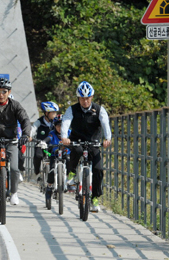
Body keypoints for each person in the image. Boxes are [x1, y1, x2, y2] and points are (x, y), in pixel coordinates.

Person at [61, 81, 111, 212]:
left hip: (93, 142)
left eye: (87, 98)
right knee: (75, 151)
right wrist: (64, 137)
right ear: (78, 98)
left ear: (92, 97)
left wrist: (107, 138)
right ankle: (71, 173)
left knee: (98, 169)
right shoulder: (72, 109)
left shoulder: (99, 110)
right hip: (77, 140)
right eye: (82, 98)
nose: (85, 101)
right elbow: (66, 122)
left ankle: (95, 198)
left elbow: (105, 123)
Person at [31, 101, 59, 180]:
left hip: (52, 145)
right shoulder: (39, 122)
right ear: (46, 113)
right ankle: (36, 172)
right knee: (38, 156)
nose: (55, 115)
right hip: (40, 144)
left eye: (55, 113)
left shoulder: (56, 122)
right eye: (53, 113)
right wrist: (29, 136)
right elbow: (33, 129)